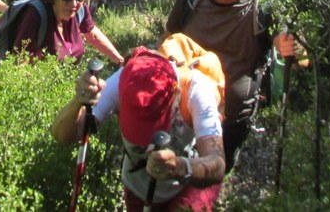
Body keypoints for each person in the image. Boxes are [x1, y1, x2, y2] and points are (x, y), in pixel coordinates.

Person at [164, 0, 298, 172]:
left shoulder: (263, 6)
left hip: (232, 118)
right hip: (183, 114)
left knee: (215, 170)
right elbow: (167, 39)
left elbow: (283, 38)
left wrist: (289, 46)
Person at [51, 45, 225, 211]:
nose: (146, 144)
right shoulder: (123, 80)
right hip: (138, 188)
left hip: (186, 188)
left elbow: (217, 164)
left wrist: (180, 167)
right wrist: (78, 101)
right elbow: (62, 135)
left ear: (175, 95)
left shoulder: (197, 90)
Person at [9, 0, 123, 64]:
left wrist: (120, 61)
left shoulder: (80, 10)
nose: (74, 3)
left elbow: (93, 35)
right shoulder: (35, 15)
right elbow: (20, 61)